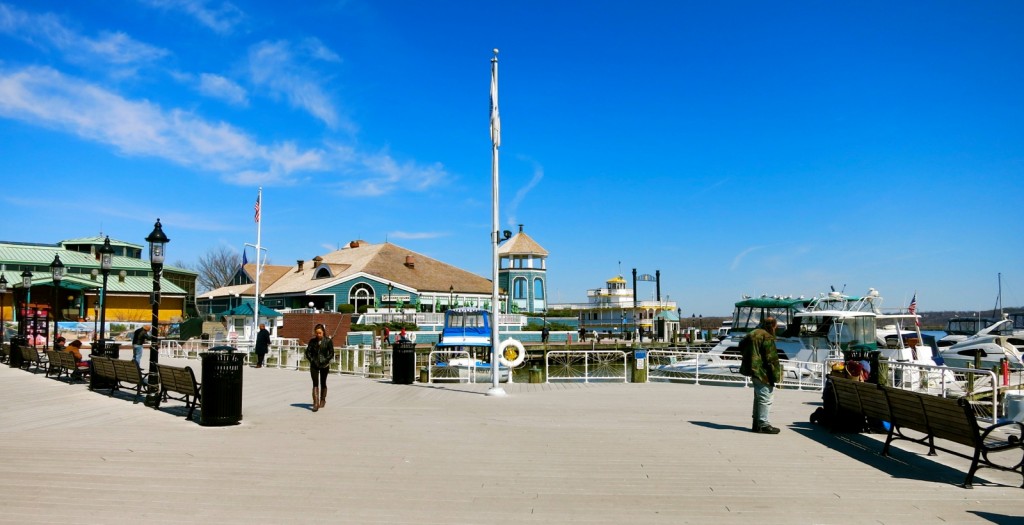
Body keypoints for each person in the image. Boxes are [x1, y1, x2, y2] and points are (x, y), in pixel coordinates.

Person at [747, 317, 782, 434]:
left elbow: (741, 345)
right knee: (765, 397)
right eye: (776, 326)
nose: (776, 329)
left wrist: (751, 359)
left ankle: (756, 423)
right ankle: (763, 424)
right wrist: (776, 375)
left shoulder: (753, 333)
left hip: (753, 368)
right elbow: (771, 358)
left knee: (758, 397)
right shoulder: (766, 336)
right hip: (762, 371)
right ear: (772, 325)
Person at [304, 323, 334, 413]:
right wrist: (312, 360)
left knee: (323, 382)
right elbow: (307, 352)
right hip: (314, 365)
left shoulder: (328, 341)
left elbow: (331, 353)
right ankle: (315, 403)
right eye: (316, 333)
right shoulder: (312, 341)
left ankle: (323, 399)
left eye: (320, 333)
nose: (318, 335)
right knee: (315, 383)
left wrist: (325, 360)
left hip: (324, 365)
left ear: (323, 332)